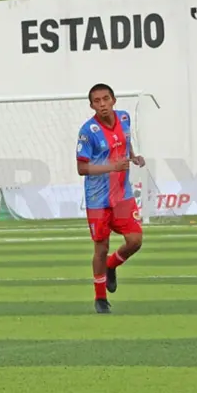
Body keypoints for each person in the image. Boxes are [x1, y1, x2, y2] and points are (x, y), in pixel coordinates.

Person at [77, 83, 145, 314]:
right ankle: (100, 298)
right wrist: (112, 166)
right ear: (91, 105)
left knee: (135, 240)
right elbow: (81, 168)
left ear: (114, 100)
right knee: (101, 246)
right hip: (98, 200)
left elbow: (124, 141)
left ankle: (111, 265)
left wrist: (133, 156)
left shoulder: (124, 118)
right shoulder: (88, 131)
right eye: (97, 101)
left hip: (122, 196)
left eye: (106, 99)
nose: (102, 104)